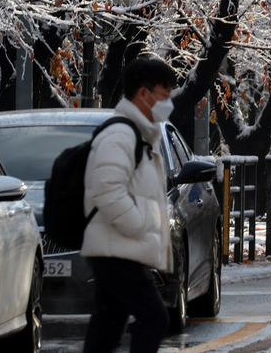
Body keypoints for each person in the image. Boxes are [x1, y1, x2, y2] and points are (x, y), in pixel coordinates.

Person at [82, 55, 177, 353]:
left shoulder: (139, 135)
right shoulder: (121, 135)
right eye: (163, 97)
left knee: (107, 329)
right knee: (154, 318)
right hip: (117, 248)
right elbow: (107, 189)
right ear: (144, 94)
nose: (167, 104)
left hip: (119, 247)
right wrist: (138, 225)